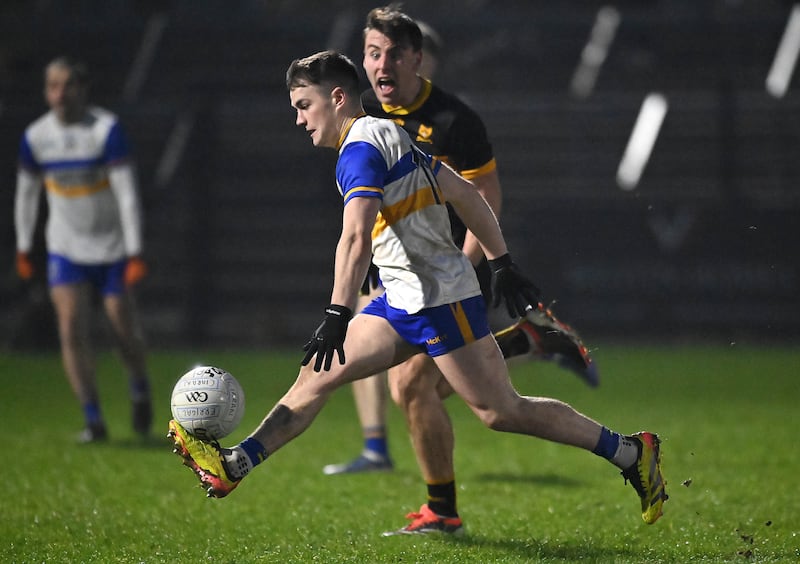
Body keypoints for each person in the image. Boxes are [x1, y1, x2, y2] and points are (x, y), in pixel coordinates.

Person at [168, 50, 668, 534]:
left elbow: (355, 236)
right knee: (316, 377)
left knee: (501, 412)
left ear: (338, 97)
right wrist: (501, 262)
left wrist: (338, 311)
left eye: (303, 105)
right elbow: (465, 193)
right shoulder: (393, 134)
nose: (299, 120)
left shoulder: (359, 152)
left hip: (439, 302)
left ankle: (631, 452)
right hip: (404, 299)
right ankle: (234, 465)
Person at [322, 7, 599, 479]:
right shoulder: (366, 107)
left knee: (428, 383)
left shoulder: (454, 120)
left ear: (420, 60)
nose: (386, 66)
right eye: (375, 55)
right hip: (393, 257)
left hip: (440, 265)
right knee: (389, 366)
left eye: (400, 55)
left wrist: (471, 264)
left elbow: (483, 196)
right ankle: (379, 450)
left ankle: (525, 344)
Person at [14, 55, 153, 443]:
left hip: (110, 249)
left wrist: (135, 251)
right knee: (71, 329)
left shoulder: (105, 130)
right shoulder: (37, 137)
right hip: (65, 248)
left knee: (122, 328)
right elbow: (26, 195)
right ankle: (93, 419)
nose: (59, 93)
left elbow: (126, 194)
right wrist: (25, 247)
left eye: (66, 85)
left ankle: (139, 385)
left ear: (82, 88)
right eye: (52, 86)